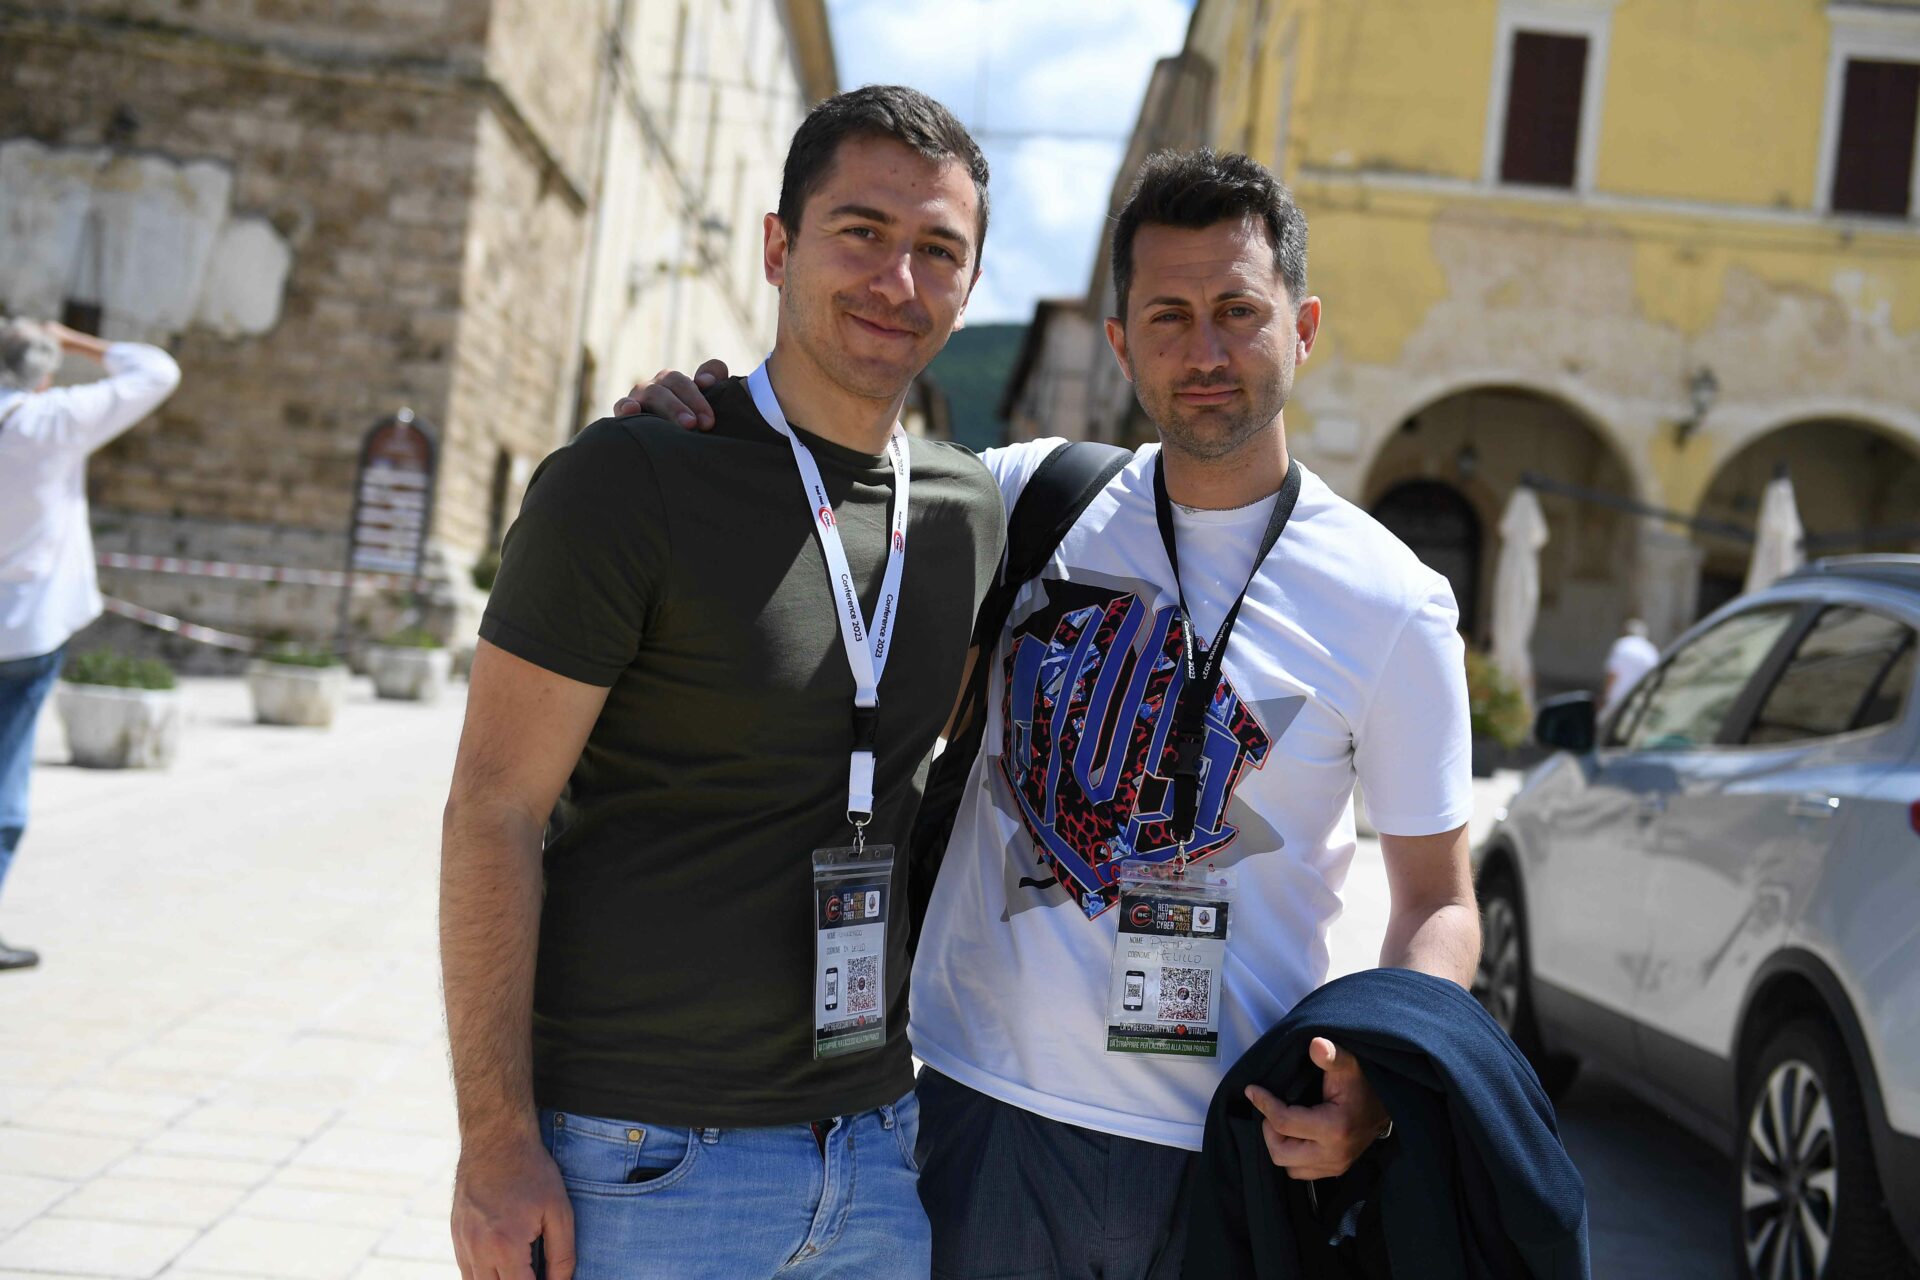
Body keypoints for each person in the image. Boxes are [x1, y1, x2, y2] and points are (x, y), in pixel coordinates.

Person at [623, 148, 1481, 1278]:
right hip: (976, 1119)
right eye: (1168, 317)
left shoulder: (1394, 602)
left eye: (1238, 311)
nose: (1205, 351)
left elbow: (1437, 899)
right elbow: (826, 504)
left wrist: (1384, 1078)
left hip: (1231, 1145)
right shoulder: (1028, 496)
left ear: (1303, 326)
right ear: (1120, 343)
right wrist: (702, 436)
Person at [440, 86, 1005, 1280]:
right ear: (777, 246)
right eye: (861, 231)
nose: (897, 279)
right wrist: (493, 1142)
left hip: (874, 1156)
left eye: (938, 250)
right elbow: (493, 810)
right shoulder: (633, 477)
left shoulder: (970, 514)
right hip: (638, 1160)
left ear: (968, 287)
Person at [0, 318, 181, 972]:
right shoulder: (52, 420)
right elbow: (158, 371)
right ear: (44, 373)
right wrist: (79, 341)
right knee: (6, 778)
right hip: (26, 625)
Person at [1601, 617, 1659, 716]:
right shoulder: (1651, 650)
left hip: (1618, 699)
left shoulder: (1622, 645)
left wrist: (1605, 697)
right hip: (1640, 700)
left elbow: (1612, 674)